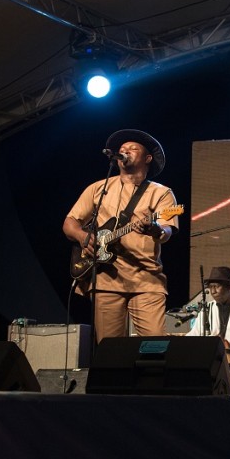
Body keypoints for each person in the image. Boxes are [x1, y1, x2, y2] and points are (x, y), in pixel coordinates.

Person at [63, 129, 179, 342]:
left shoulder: (161, 193)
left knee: (155, 344)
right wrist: (83, 237)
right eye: (122, 149)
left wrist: (155, 229)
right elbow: (70, 223)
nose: (125, 151)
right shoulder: (99, 188)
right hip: (106, 278)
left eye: (133, 149)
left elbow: (167, 230)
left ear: (147, 158)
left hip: (146, 279)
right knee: (110, 349)